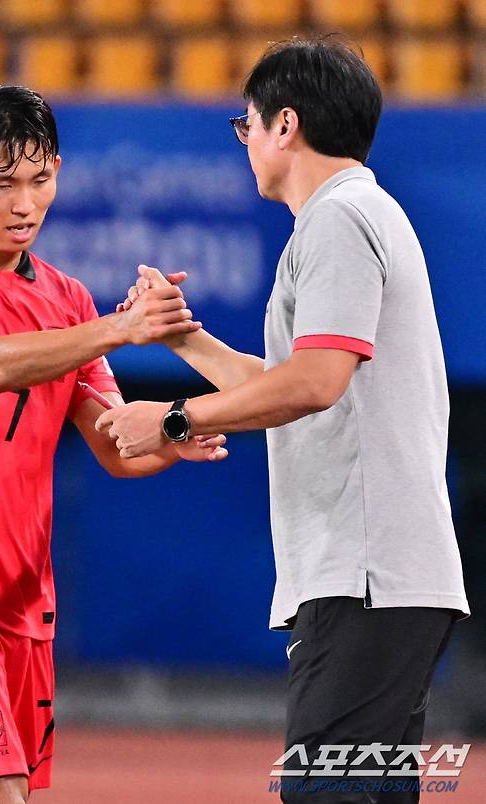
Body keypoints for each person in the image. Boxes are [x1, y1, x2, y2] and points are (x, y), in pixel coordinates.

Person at [96, 37, 470, 802]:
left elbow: (315, 383)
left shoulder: (340, 219)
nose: (246, 142)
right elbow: (293, 383)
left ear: (286, 124)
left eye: (249, 124)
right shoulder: (357, 213)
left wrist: (171, 419)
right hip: (383, 578)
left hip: (365, 577)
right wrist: (182, 338)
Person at [0, 85, 227, 804]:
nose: (24, 204)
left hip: (28, 602)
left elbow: (117, 446)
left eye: (39, 180)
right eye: (2, 183)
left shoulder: (66, 300)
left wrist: (177, 429)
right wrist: (121, 328)